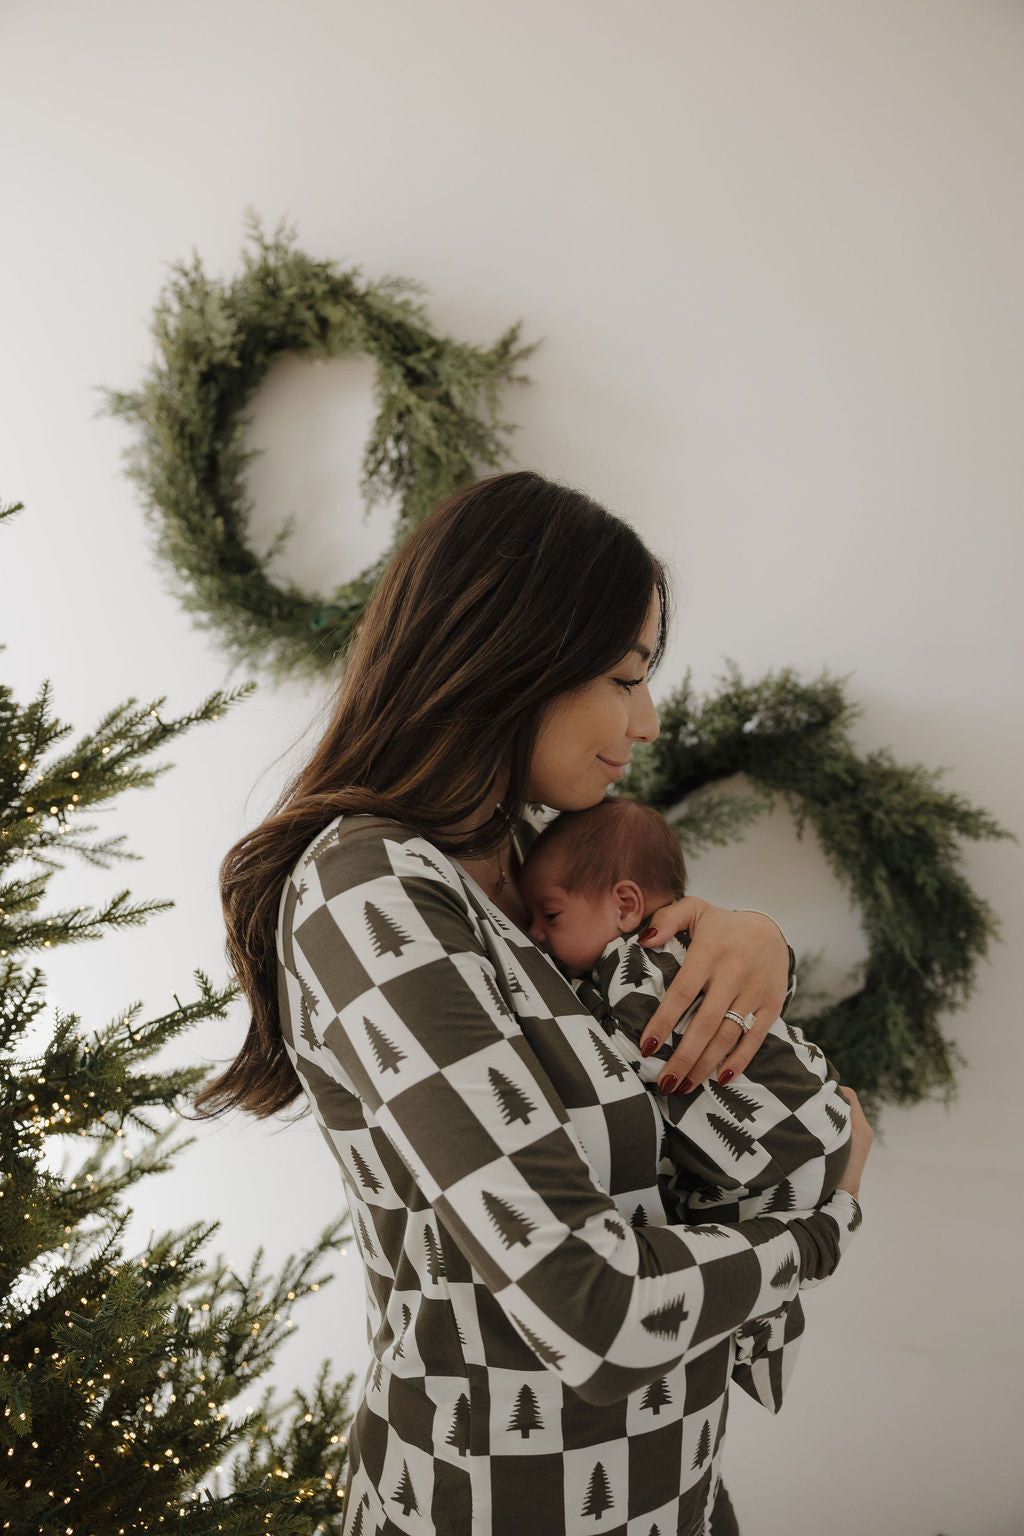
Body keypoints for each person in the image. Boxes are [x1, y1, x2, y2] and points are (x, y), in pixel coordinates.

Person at [201, 469, 872, 1536]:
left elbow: (694, 1130)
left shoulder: (531, 870)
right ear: (511, 655)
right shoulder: (369, 889)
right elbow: (595, 1306)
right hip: (487, 1505)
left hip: (676, 1494)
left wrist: (753, 944)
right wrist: (822, 1228)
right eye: (624, 675)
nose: (646, 720)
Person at [516, 794, 859, 1415]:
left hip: (784, 1143)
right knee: (743, 1248)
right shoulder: (670, 948)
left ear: (625, 904)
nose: (536, 933)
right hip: (814, 1124)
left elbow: (624, 1053)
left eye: (550, 914)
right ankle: (763, 1345)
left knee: (730, 1242)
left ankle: (762, 1347)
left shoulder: (634, 966)